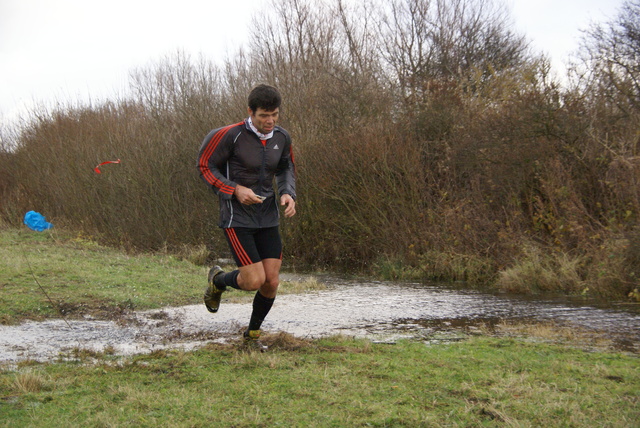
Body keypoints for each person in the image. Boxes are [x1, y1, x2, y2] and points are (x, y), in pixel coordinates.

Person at [197, 84, 296, 351]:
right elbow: (205, 166)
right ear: (250, 111)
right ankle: (217, 280)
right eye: (264, 115)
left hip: (268, 215)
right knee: (254, 281)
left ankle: (252, 335)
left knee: (271, 281)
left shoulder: (282, 137)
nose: (270, 121)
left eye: (274, 114)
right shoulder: (228, 135)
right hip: (237, 216)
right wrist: (234, 190)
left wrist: (287, 193)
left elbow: (286, 168)